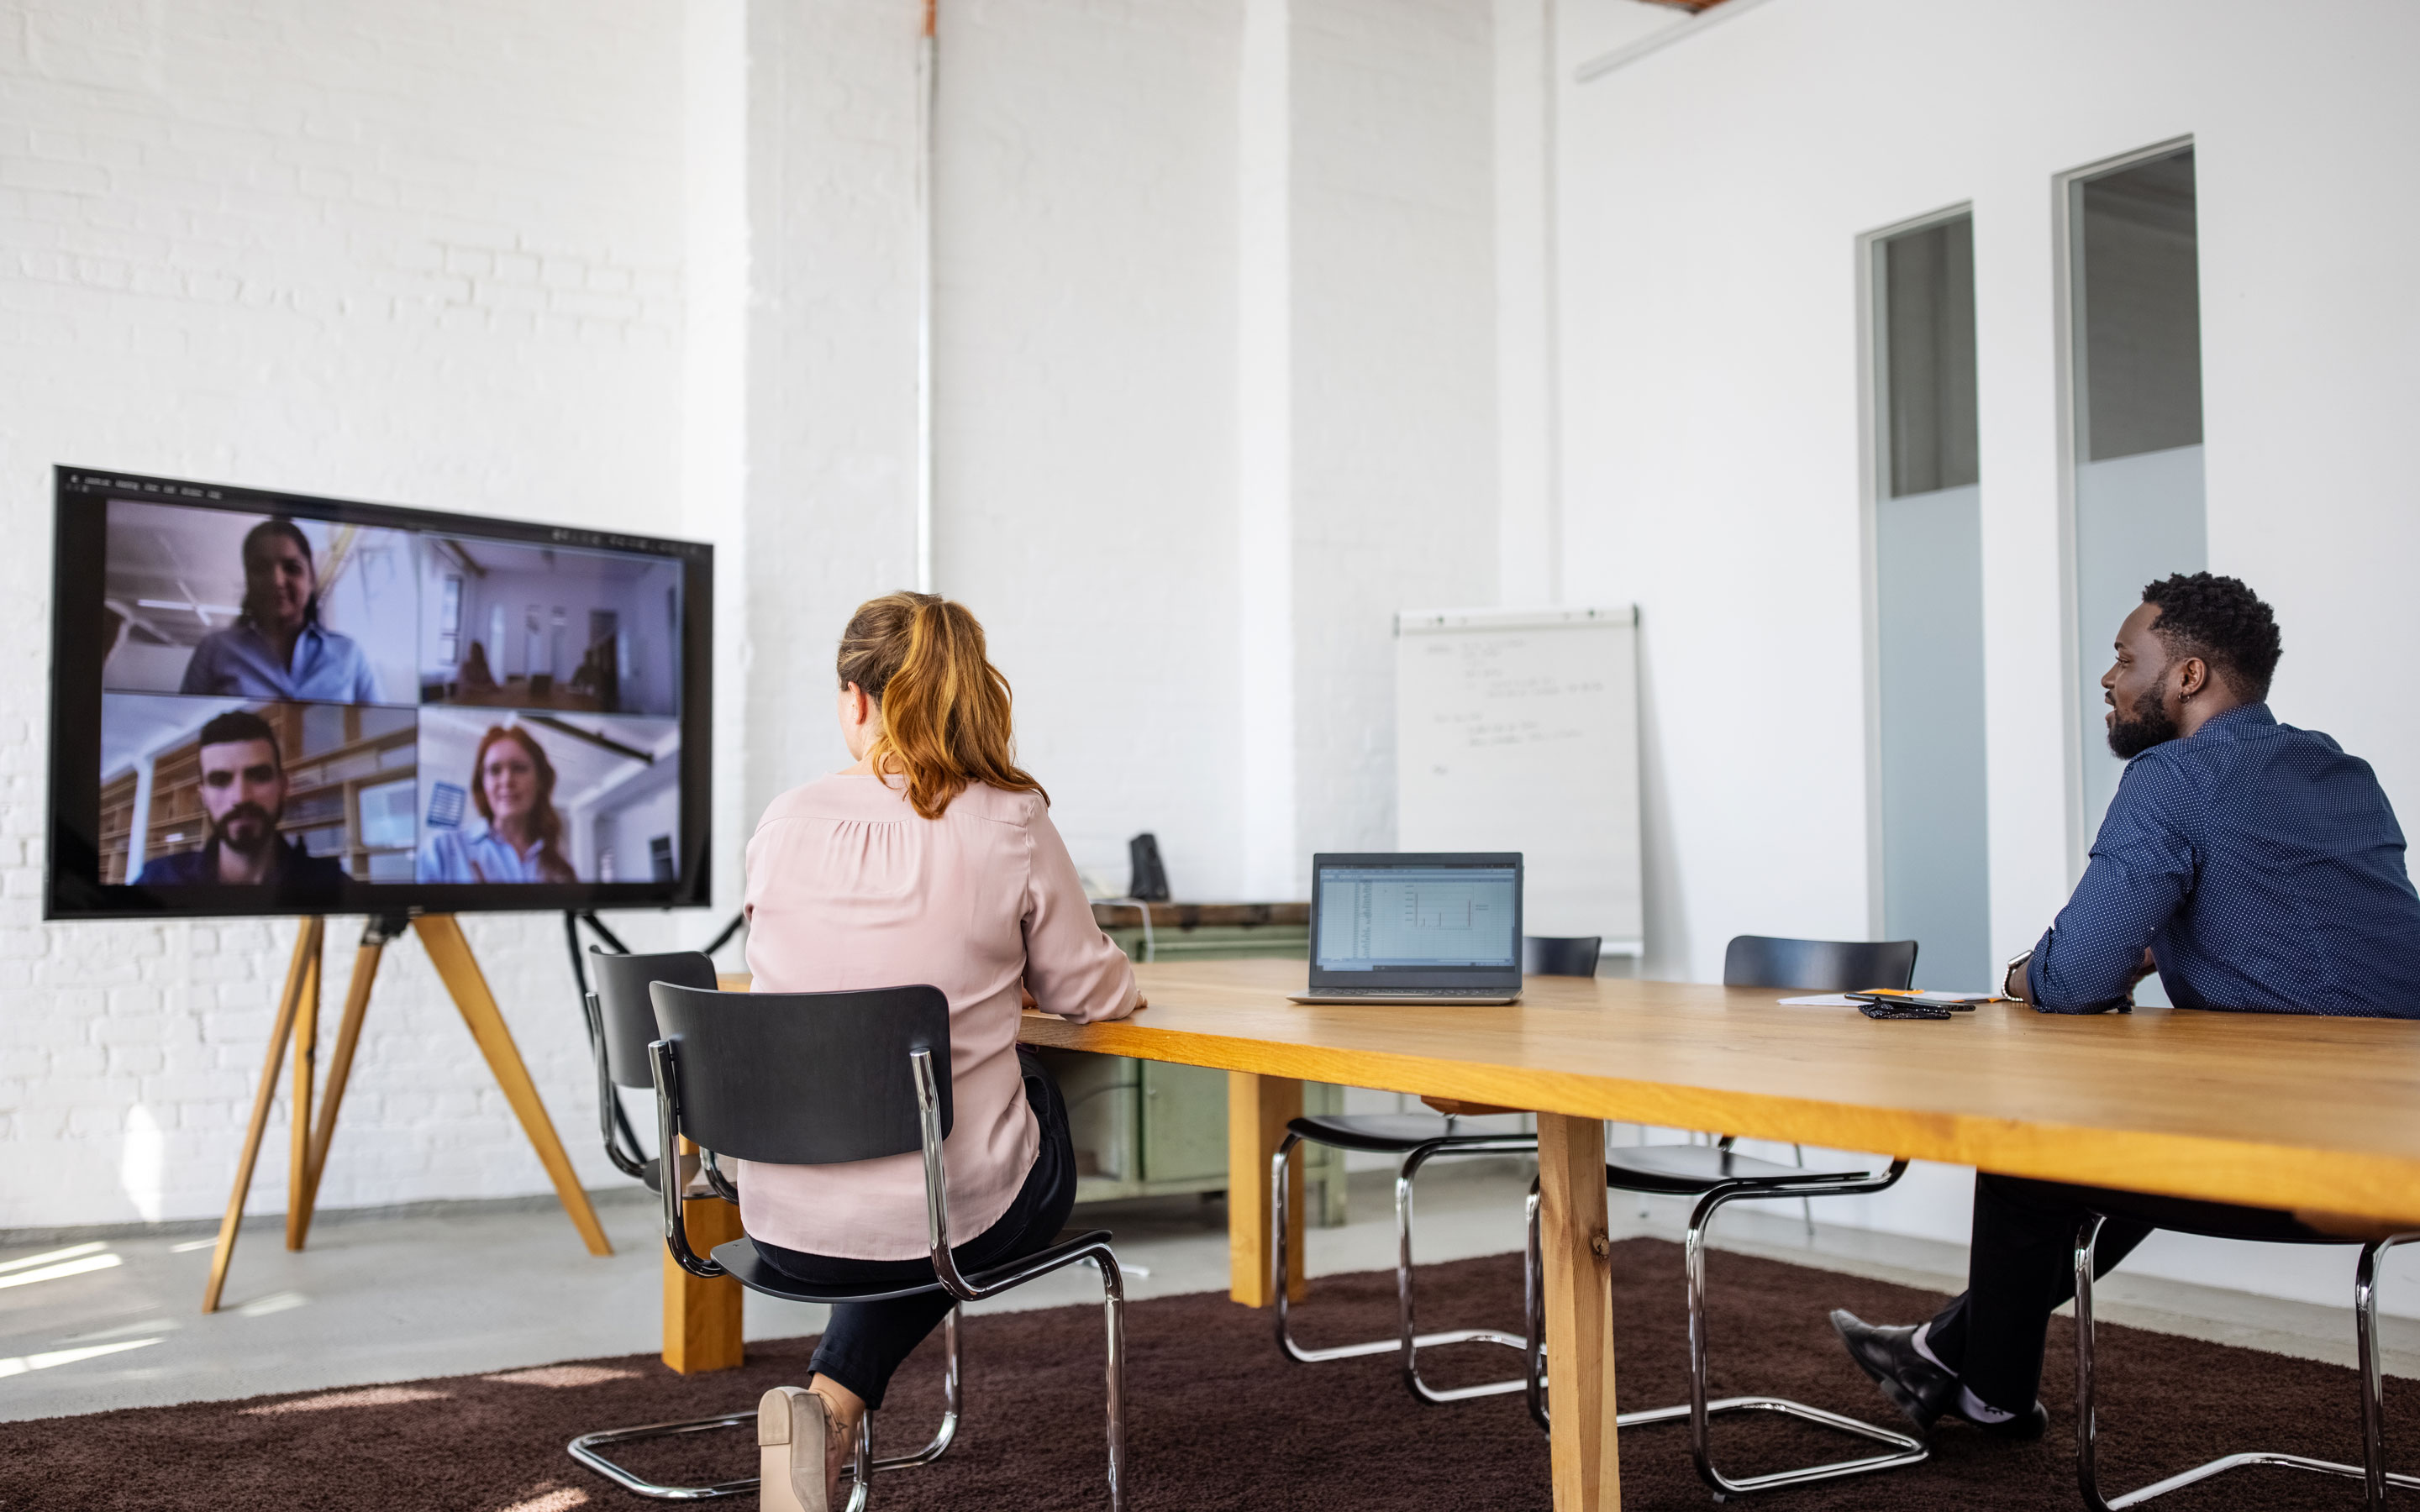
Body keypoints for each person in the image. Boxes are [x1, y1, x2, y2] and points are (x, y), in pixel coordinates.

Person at [1833, 572, 2420, 1441]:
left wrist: (2024, 975)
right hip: (2397, 1136)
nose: (2108, 678)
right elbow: (2324, 937)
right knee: (2121, 1138)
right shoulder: (2342, 771)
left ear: (2187, 676)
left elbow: (2072, 981)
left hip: (2307, 1161)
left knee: (2031, 1152)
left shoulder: (2175, 776)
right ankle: (1945, 1358)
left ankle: (1984, 1390)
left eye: (2123, 657)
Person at [742, 591, 1143, 1512]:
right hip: (948, 1214)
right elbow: (1089, 993)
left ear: (855, 700)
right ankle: (831, 1405)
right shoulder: (1012, 819)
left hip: (779, 1215)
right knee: (1024, 1100)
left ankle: (830, 1408)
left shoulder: (783, 820)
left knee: (908, 1178)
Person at [134, 710, 350, 888]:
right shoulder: (157, 881)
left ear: (283, 787)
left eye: (259, 776)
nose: (241, 797)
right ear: (204, 797)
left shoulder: (335, 887)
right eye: (220, 780)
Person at [179, 518, 384, 704]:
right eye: (261, 568)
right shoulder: (214, 650)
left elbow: (380, 725)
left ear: (311, 578)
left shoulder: (349, 654)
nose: (277, 581)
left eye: (292, 568)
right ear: (248, 579)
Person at [417, 725, 578, 883]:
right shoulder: (440, 850)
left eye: (519, 768)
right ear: (483, 784)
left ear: (540, 781)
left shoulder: (561, 868)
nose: (506, 780)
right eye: (495, 770)